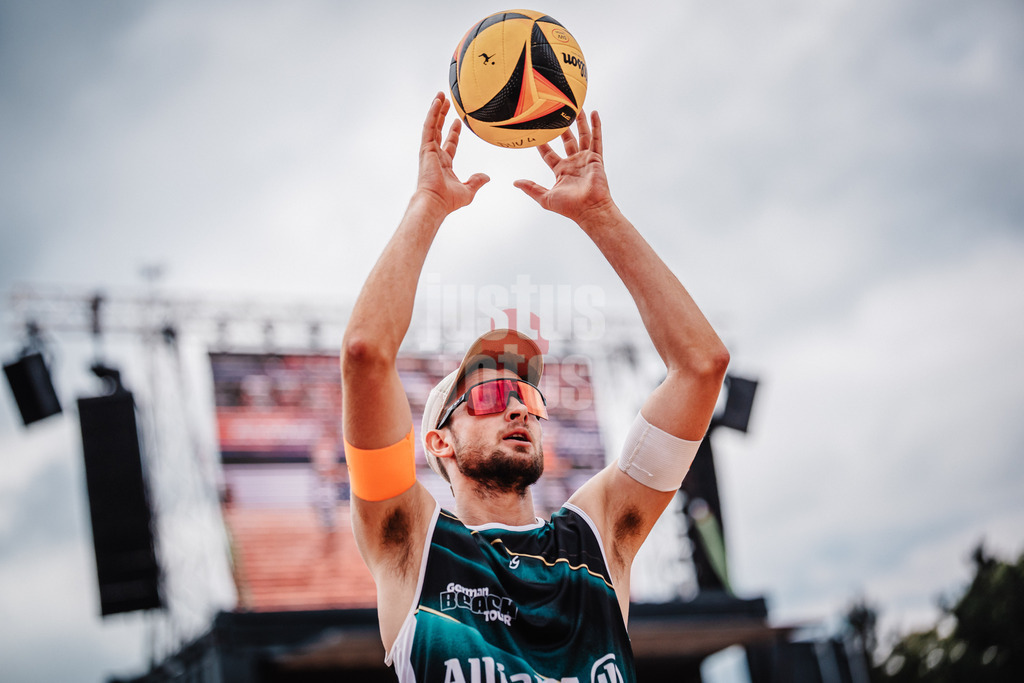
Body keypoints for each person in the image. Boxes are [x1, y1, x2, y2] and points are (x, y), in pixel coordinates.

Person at [341, 92, 729, 682]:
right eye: (492, 398)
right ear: (440, 441)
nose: (518, 409)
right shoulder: (412, 544)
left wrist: (601, 215)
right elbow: (366, 354)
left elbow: (701, 366)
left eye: (527, 398)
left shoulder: (596, 537)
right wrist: (428, 204)